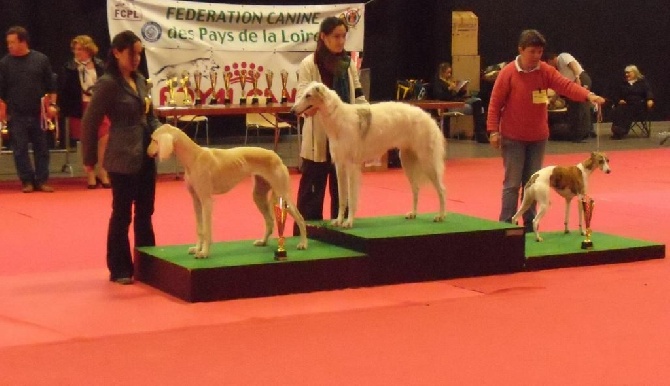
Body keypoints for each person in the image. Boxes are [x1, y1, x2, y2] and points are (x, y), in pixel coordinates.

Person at [486, 30, 605, 231]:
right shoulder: (507, 73)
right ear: (520, 50)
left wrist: (588, 95)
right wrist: (493, 131)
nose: (536, 56)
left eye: (540, 52)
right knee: (512, 184)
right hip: (513, 138)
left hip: (538, 138)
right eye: (532, 51)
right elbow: (494, 104)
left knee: (534, 184)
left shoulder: (545, 71)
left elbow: (566, 86)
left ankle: (530, 226)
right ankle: (506, 226)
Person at [82, 30, 161, 285]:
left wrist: (161, 134)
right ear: (116, 52)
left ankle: (148, 266)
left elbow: (149, 115)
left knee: (146, 212)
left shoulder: (139, 79)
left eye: (139, 53)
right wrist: (89, 161)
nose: (136, 58)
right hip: (122, 157)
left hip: (147, 155)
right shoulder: (107, 84)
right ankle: (119, 268)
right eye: (131, 53)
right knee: (122, 214)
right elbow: (90, 122)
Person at [293, 16, 367, 234]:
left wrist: (368, 121)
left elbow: (359, 97)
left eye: (344, 36)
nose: (341, 41)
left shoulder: (349, 64)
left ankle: (341, 235)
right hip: (318, 139)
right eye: (336, 36)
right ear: (323, 37)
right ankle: (307, 235)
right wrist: (316, 105)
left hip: (346, 138)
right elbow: (301, 99)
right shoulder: (310, 64)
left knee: (341, 190)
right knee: (311, 195)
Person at [0, 26, 57, 193]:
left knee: (42, 148)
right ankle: (27, 181)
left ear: (23, 42)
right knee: (19, 149)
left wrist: (52, 106)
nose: (9, 46)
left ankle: (42, 180)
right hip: (16, 113)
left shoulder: (41, 59)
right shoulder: (4, 63)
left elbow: (51, 85)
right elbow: (1, 91)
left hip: (39, 113)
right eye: (8, 43)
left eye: (12, 42)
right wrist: (3, 112)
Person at [59, 35, 111, 189]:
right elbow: (65, 89)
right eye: (75, 49)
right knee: (87, 140)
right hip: (80, 106)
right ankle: (89, 173)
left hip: (99, 104)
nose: (77, 52)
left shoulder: (100, 65)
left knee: (104, 137)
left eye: (80, 49)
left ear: (89, 50)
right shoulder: (69, 67)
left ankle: (102, 171)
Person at [431, 61, 488, 143]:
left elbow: (455, 95)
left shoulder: (449, 81)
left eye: (450, 72)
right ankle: (479, 133)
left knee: (478, 101)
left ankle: (479, 132)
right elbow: (440, 96)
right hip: (450, 104)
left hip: (457, 100)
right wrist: (449, 89)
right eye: (448, 73)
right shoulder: (438, 83)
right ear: (442, 72)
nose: (449, 75)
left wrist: (462, 90)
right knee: (477, 105)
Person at [546, 52, 594, 142]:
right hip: (573, 84)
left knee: (580, 107)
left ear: (550, 60)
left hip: (581, 79)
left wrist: (577, 78)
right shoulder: (559, 70)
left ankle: (580, 134)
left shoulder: (563, 56)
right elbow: (561, 86)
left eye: (549, 64)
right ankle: (584, 132)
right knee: (575, 107)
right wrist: (553, 99)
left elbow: (573, 65)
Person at [610, 64, 654, 140]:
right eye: (626, 73)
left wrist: (650, 99)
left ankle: (621, 130)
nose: (626, 74)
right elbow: (615, 94)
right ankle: (617, 129)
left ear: (635, 72)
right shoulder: (622, 83)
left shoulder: (642, 82)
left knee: (627, 109)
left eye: (628, 72)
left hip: (639, 105)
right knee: (619, 109)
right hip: (626, 104)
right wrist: (619, 100)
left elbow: (648, 91)